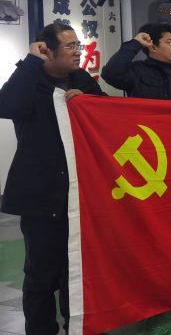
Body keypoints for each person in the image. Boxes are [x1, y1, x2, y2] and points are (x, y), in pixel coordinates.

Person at [0, 23, 106, 334]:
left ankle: (78, 326)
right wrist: (32, 61)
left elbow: (107, 111)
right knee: (41, 276)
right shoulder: (30, 81)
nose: (78, 52)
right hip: (41, 196)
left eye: (78, 46)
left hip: (78, 195)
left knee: (76, 272)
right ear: (48, 51)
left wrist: (88, 100)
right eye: (71, 47)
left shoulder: (80, 79)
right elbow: (6, 105)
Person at [102, 22, 171, 100]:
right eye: (170, 42)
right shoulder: (137, 71)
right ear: (153, 47)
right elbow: (110, 73)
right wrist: (136, 42)